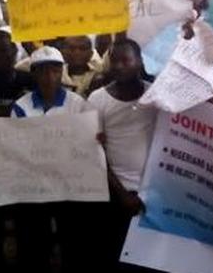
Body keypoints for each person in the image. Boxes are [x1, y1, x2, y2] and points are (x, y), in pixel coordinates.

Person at [8, 46, 90, 272]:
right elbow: (17, 147)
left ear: (61, 71)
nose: (49, 77)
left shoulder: (78, 104)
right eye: (42, 71)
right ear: (33, 74)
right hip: (35, 188)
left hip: (69, 186)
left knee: (72, 242)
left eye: (54, 70)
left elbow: (84, 143)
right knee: (34, 243)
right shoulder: (21, 106)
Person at [87, 39, 157, 271]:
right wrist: (122, 193)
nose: (118, 66)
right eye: (114, 60)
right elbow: (94, 150)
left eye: (125, 60)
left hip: (153, 196)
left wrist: (148, 192)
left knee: (149, 258)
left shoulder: (156, 97)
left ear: (139, 63)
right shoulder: (97, 99)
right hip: (115, 195)